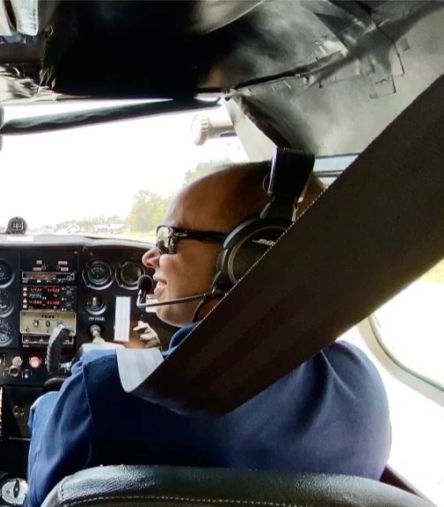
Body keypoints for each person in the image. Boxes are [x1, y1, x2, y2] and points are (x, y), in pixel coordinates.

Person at [25, 162, 391, 506]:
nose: (150, 258)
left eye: (170, 238)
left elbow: (42, 498)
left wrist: (49, 408)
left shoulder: (102, 391)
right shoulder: (364, 386)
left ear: (248, 256)